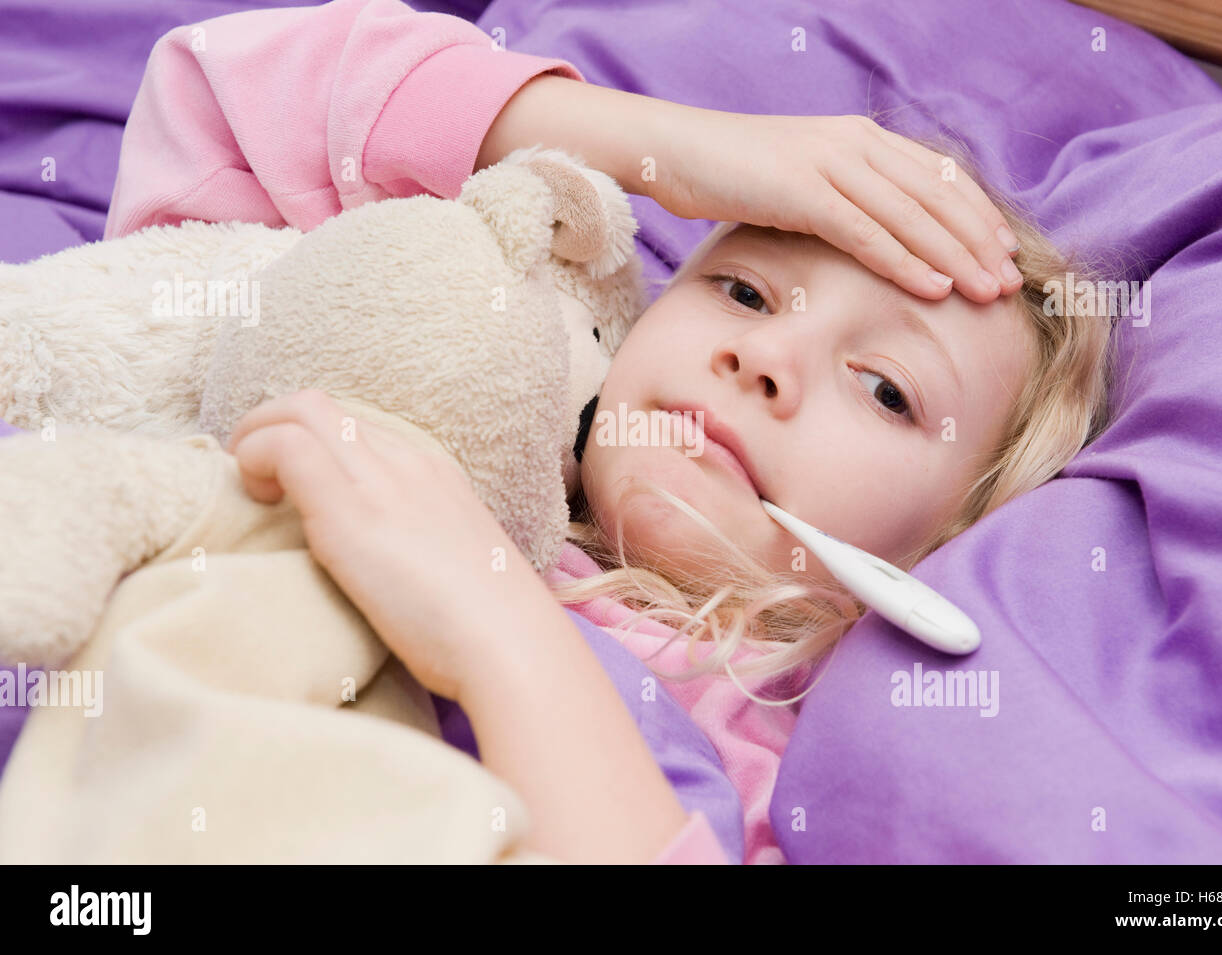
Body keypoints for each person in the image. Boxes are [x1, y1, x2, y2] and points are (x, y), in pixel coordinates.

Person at [106, 0, 1115, 864]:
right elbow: (217, 97)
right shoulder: (461, 403)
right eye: (742, 289)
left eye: (885, 389)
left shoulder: (766, 749)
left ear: (947, 546)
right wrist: (672, 150)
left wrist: (489, 623)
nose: (762, 357)